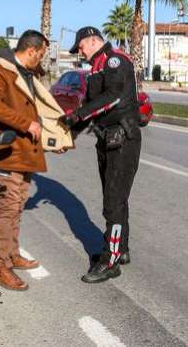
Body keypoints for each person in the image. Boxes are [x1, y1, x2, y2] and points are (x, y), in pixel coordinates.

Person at [0, 30, 72, 291]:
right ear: (31, 50)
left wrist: (54, 140)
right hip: (8, 153)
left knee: (17, 208)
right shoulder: (3, 72)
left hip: (25, 154)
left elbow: (38, 114)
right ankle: (0, 266)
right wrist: (25, 124)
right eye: (42, 54)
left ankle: (11, 254)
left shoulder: (27, 75)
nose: (42, 60)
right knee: (7, 210)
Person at [60, 26, 141, 283]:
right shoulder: (95, 67)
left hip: (123, 139)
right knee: (114, 198)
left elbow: (114, 97)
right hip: (106, 139)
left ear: (93, 41)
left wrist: (79, 115)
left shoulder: (115, 60)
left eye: (81, 46)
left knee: (113, 202)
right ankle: (121, 250)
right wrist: (69, 133)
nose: (79, 51)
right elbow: (91, 108)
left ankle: (110, 260)